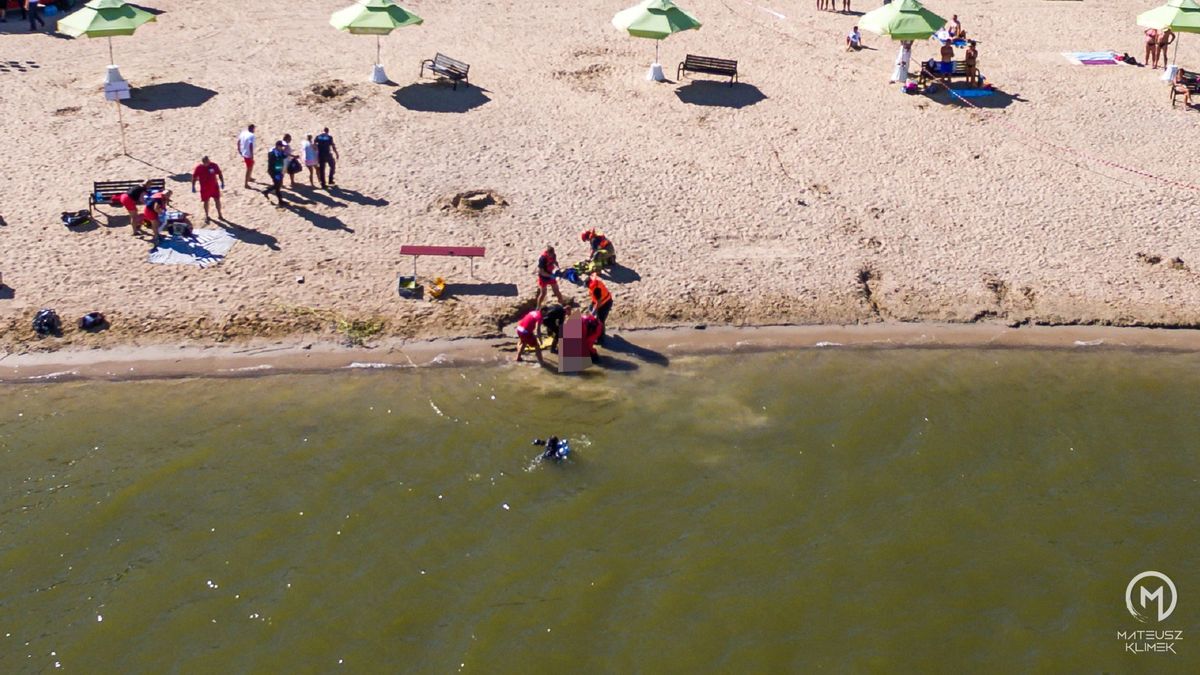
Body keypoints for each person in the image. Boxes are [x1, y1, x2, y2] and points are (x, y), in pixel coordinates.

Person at [191, 155, 225, 222]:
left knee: (217, 200)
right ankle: (207, 215)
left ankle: (220, 214)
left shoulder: (214, 165)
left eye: (207, 162)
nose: (206, 164)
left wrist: (222, 182)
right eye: (205, 163)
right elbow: (194, 177)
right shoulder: (199, 168)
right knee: (206, 201)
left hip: (214, 187)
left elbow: (220, 174)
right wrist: (193, 186)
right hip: (204, 188)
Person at [586, 273, 612, 341]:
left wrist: (593, 312)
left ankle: (601, 337)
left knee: (601, 320)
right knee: (590, 311)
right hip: (599, 300)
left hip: (605, 303)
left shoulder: (596, 290)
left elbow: (599, 302)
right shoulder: (596, 283)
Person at [262, 140, 288, 207]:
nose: (282, 148)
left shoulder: (280, 152)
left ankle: (266, 191)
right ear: (277, 146)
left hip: (278, 171)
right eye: (281, 146)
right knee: (277, 186)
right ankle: (280, 201)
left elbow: (284, 156)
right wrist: (276, 173)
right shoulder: (272, 153)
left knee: (278, 185)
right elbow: (272, 164)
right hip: (274, 172)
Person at [237, 124, 255, 188]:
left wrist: (239, 149)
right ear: (252, 129)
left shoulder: (243, 133)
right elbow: (251, 145)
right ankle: (246, 184)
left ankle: (249, 177)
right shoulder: (252, 136)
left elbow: (238, 141)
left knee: (252, 164)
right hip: (248, 154)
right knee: (249, 168)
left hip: (243, 152)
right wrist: (252, 155)